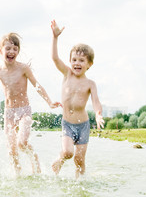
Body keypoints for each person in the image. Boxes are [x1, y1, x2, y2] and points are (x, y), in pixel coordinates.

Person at [0, 32, 61, 175]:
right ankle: (18, 175)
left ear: (18, 52)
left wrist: (50, 102)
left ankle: (35, 159)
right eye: (8, 48)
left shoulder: (23, 68)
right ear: (0, 50)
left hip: (24, 111)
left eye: (15, 49)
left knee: (22, 143)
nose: (11, 52)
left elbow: (37, 86)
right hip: (8, 113)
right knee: (11, 149)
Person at [50, 20, 104, 178]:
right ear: (70, 61)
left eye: (81, 60)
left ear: (89, 64)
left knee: (79, 160)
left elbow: (95, 102)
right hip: (67, 124)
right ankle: (59, 160)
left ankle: (80, 185)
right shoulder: (67, 74)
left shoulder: (90, 83)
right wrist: (55, 37)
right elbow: (54, 58)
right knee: (67, 152)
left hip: (83, 126)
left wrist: (99, 114)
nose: (77, 63)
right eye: (74, 60)